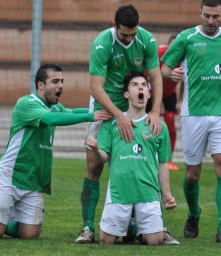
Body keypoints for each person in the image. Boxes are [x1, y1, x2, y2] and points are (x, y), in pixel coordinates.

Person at [0, 64, 111, 239]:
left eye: (62, 81)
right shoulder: (26, 103)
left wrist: (107, 111)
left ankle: (2, 221)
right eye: (55, 81)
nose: (60, 85)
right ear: (40, 85)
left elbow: (70, 111)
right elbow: (51, 119)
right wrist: (90, 117)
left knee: (30, 234)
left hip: (34, 180)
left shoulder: (55, 106)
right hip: (11, 176)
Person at [160, 0, 221, 244]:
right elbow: (163, 69)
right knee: (192, 174)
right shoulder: (186, 37)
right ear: (199, 13)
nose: (211, 21)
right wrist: (171, 74)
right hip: (194, 114)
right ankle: (194, 214)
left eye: (216, 16)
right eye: (207, 16)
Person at [76, 4, 165, 243]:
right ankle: (87, 227)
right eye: (125, 34)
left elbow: (155, 76)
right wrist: (118, 115)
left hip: (135, 107)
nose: (129, 38)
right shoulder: (102, 43)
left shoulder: (146, 39)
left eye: (133, 34)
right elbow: (95, 86)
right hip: (106, 108)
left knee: (142, 163)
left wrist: (155, 111)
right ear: (114, 26)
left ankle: (147, 225)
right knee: (94, 166)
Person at [85, 71, 176, 245]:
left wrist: (167, 195)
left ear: (149, 94)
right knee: (105, 241)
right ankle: (131, 227)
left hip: (148, 193)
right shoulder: (112, 123)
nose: (140, 87)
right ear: (126, 94)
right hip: (119, 193)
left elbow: (163, 163)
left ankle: (135, 226)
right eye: (135, 85)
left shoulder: (159, 126)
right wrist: (96, 148)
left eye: (144, 85)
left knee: (155, 241)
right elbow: (104, 157)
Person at [158, 34, 183, 171]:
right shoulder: (159, 53)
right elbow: (148, 73)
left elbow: (186, 80)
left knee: (170, 120)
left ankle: (169, 160)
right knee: (148, 122)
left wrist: (180, 101)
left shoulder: (185, 57)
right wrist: (156, 101)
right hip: (153, 91)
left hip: (170, 93)